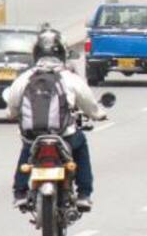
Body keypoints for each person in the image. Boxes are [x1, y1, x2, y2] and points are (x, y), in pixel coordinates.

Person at [6, 28, 106, 211]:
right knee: (81, 145)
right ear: (62, 53)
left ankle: (20, 192)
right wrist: (98, 114)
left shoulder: (26, 78)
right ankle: (84, 194)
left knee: (27, 150)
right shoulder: (69, 78)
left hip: (33, 136)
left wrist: (12, 114)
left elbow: (12, 105)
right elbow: (89, 104)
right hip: (64, 135)